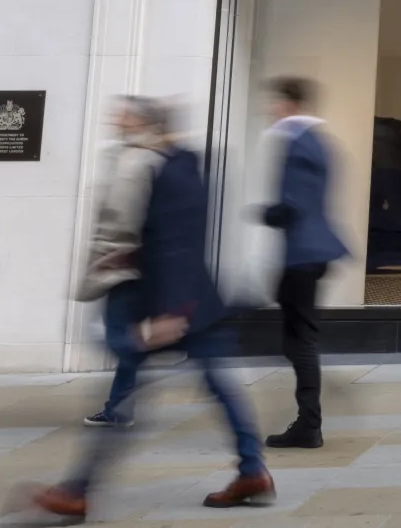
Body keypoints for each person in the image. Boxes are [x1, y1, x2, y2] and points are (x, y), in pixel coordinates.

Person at [28, 102, 272, 519]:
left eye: (126, 117)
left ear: (152, 126)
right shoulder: (174, 164)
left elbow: (176, 243)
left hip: (164, 301)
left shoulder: (165, 170)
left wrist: (171, 312)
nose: (116, 122)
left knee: (127, 394)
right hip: (186, 298)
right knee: (216, 382)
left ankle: (76, 490)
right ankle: (252, 470)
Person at [260, 76, 350, 450]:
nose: (270, 109)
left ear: (289, 103)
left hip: (302, 253)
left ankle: (309, 424)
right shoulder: (319, 141)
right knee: (299, 339)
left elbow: (294, 203)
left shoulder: (297, 144)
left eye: (275, 102)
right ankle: (307, 422)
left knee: (300, 341)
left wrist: (267, 214)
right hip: (313, 251)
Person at [78, 97, 169, 429]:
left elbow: (128, 215)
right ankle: (120, 405)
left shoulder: (141, 161)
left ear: (141, 121)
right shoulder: (121, 155)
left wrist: (117, 252)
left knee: (116, 335)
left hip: (125, 262)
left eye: (124, 116)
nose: (117, 119)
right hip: (122, 260)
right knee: (118, 332)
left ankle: (124, 400)